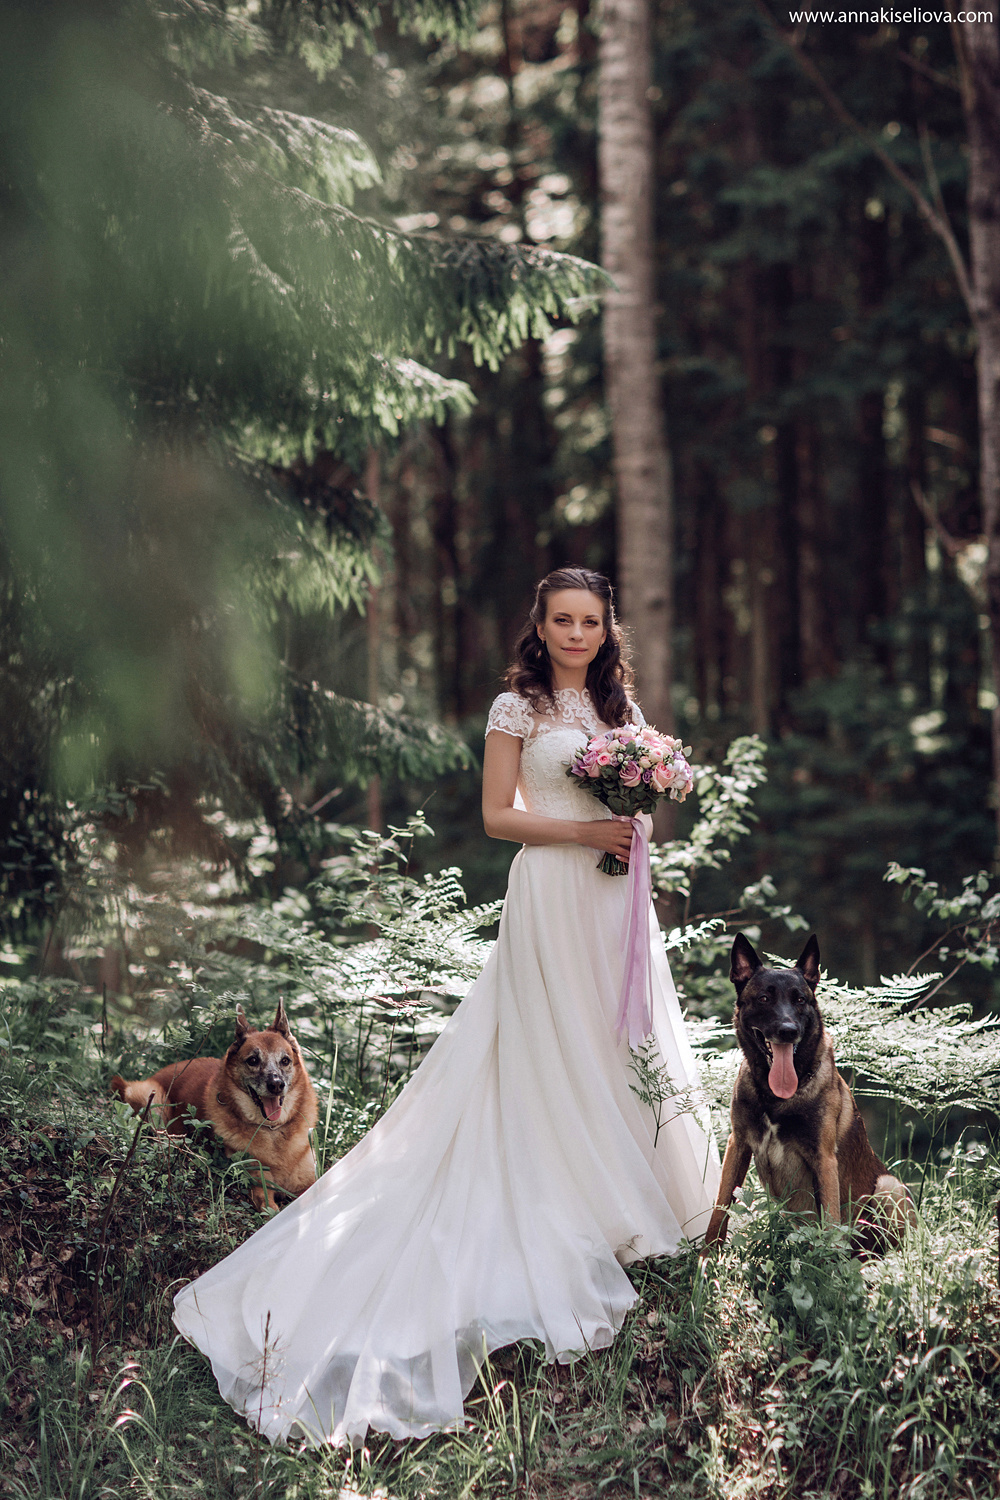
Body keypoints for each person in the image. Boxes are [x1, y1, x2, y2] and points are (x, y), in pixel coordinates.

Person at [172, 565, 721, 1449]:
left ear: (606, 629)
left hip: (612, 897)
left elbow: (643, 793)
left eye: (590, 622)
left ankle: (644, 1194)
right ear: (539, 626)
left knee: (618, 1040)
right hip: (550, 890)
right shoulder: (517, 710)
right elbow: (498, 816)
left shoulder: (617, 709)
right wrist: (584, 831)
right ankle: (569, 1200)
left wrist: (636, 818)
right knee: (553, 1046)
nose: (576, 635)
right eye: (562, 621)